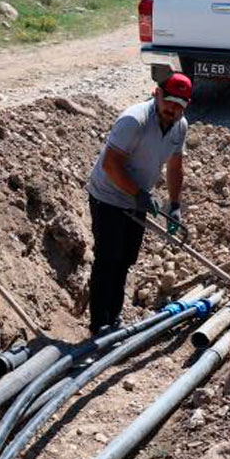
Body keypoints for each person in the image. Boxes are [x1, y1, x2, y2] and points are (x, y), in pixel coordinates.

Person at [84, 72, 192, 334]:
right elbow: (111, 164)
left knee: (125, 259)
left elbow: (175, 166)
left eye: (179, 105)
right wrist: (139, 194)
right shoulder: (134, 120)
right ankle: (98, 325)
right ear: (157, 93)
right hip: (108, 196)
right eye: (168, 101)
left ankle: (113, 319)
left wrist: (174, 205)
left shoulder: (179, 126)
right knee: (108, 259)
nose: (172, 108)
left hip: (137, 199)